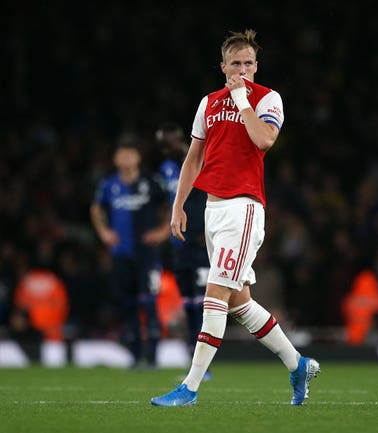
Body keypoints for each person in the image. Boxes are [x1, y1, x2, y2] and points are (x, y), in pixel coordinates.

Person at [150, 29, 319, 407]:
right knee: (239, 303)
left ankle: (190, 387)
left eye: (248, 63)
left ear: (256, 66)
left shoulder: (267, 99)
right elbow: (194, 157)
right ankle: (298, 364)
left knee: (213, 295)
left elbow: (264, 140)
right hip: (212, 208)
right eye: (235, 64)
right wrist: (178, 205)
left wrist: (243, 101)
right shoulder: (208, 102)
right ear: (222, 67)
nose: (242, 69)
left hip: (243, 208)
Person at [90, 136, 170, 369]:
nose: (126, 158)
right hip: (121, 254)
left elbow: (171, 204)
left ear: (138, 157)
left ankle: (153, 357)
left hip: (147, 254)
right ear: (115, 159)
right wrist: (104, 232)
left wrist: (163, 231)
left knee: (149, 302)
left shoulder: (152, 182)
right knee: (128, 304)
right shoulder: (109, 184)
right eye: (122, 154)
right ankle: (136, 357)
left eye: (130, 153)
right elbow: (95, 209)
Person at [156, 122, 212, 378]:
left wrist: (207, 231)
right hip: (180, 246)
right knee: (189, 304)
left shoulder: (200, 162)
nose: (168, 148)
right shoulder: (165, 170)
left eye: (172, 142)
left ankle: (204, 364)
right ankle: (193, 358)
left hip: (201, 244)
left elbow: (210, 198)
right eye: (163, 145)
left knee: (203, 304)